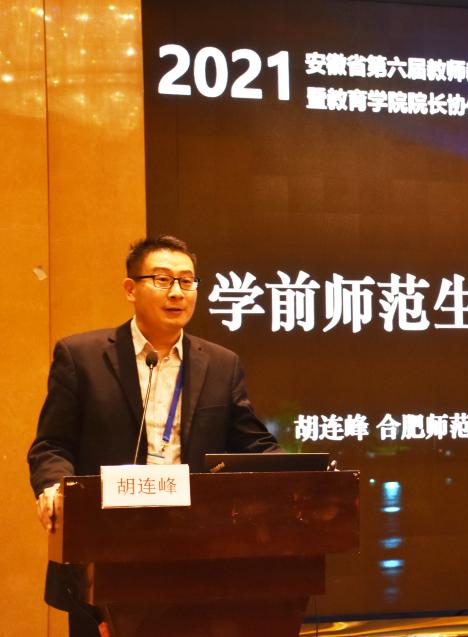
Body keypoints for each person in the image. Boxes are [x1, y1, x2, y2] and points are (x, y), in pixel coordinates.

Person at [27, 235, 280, 637]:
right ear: (131, 288)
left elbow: (254, 444)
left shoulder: (222, 364)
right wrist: (55, 488)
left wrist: (299, 475)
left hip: (196, 552)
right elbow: (52, 444)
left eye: (187, 281)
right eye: (162, 280)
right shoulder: (82, 357)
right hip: (106, 549)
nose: (177, 292)